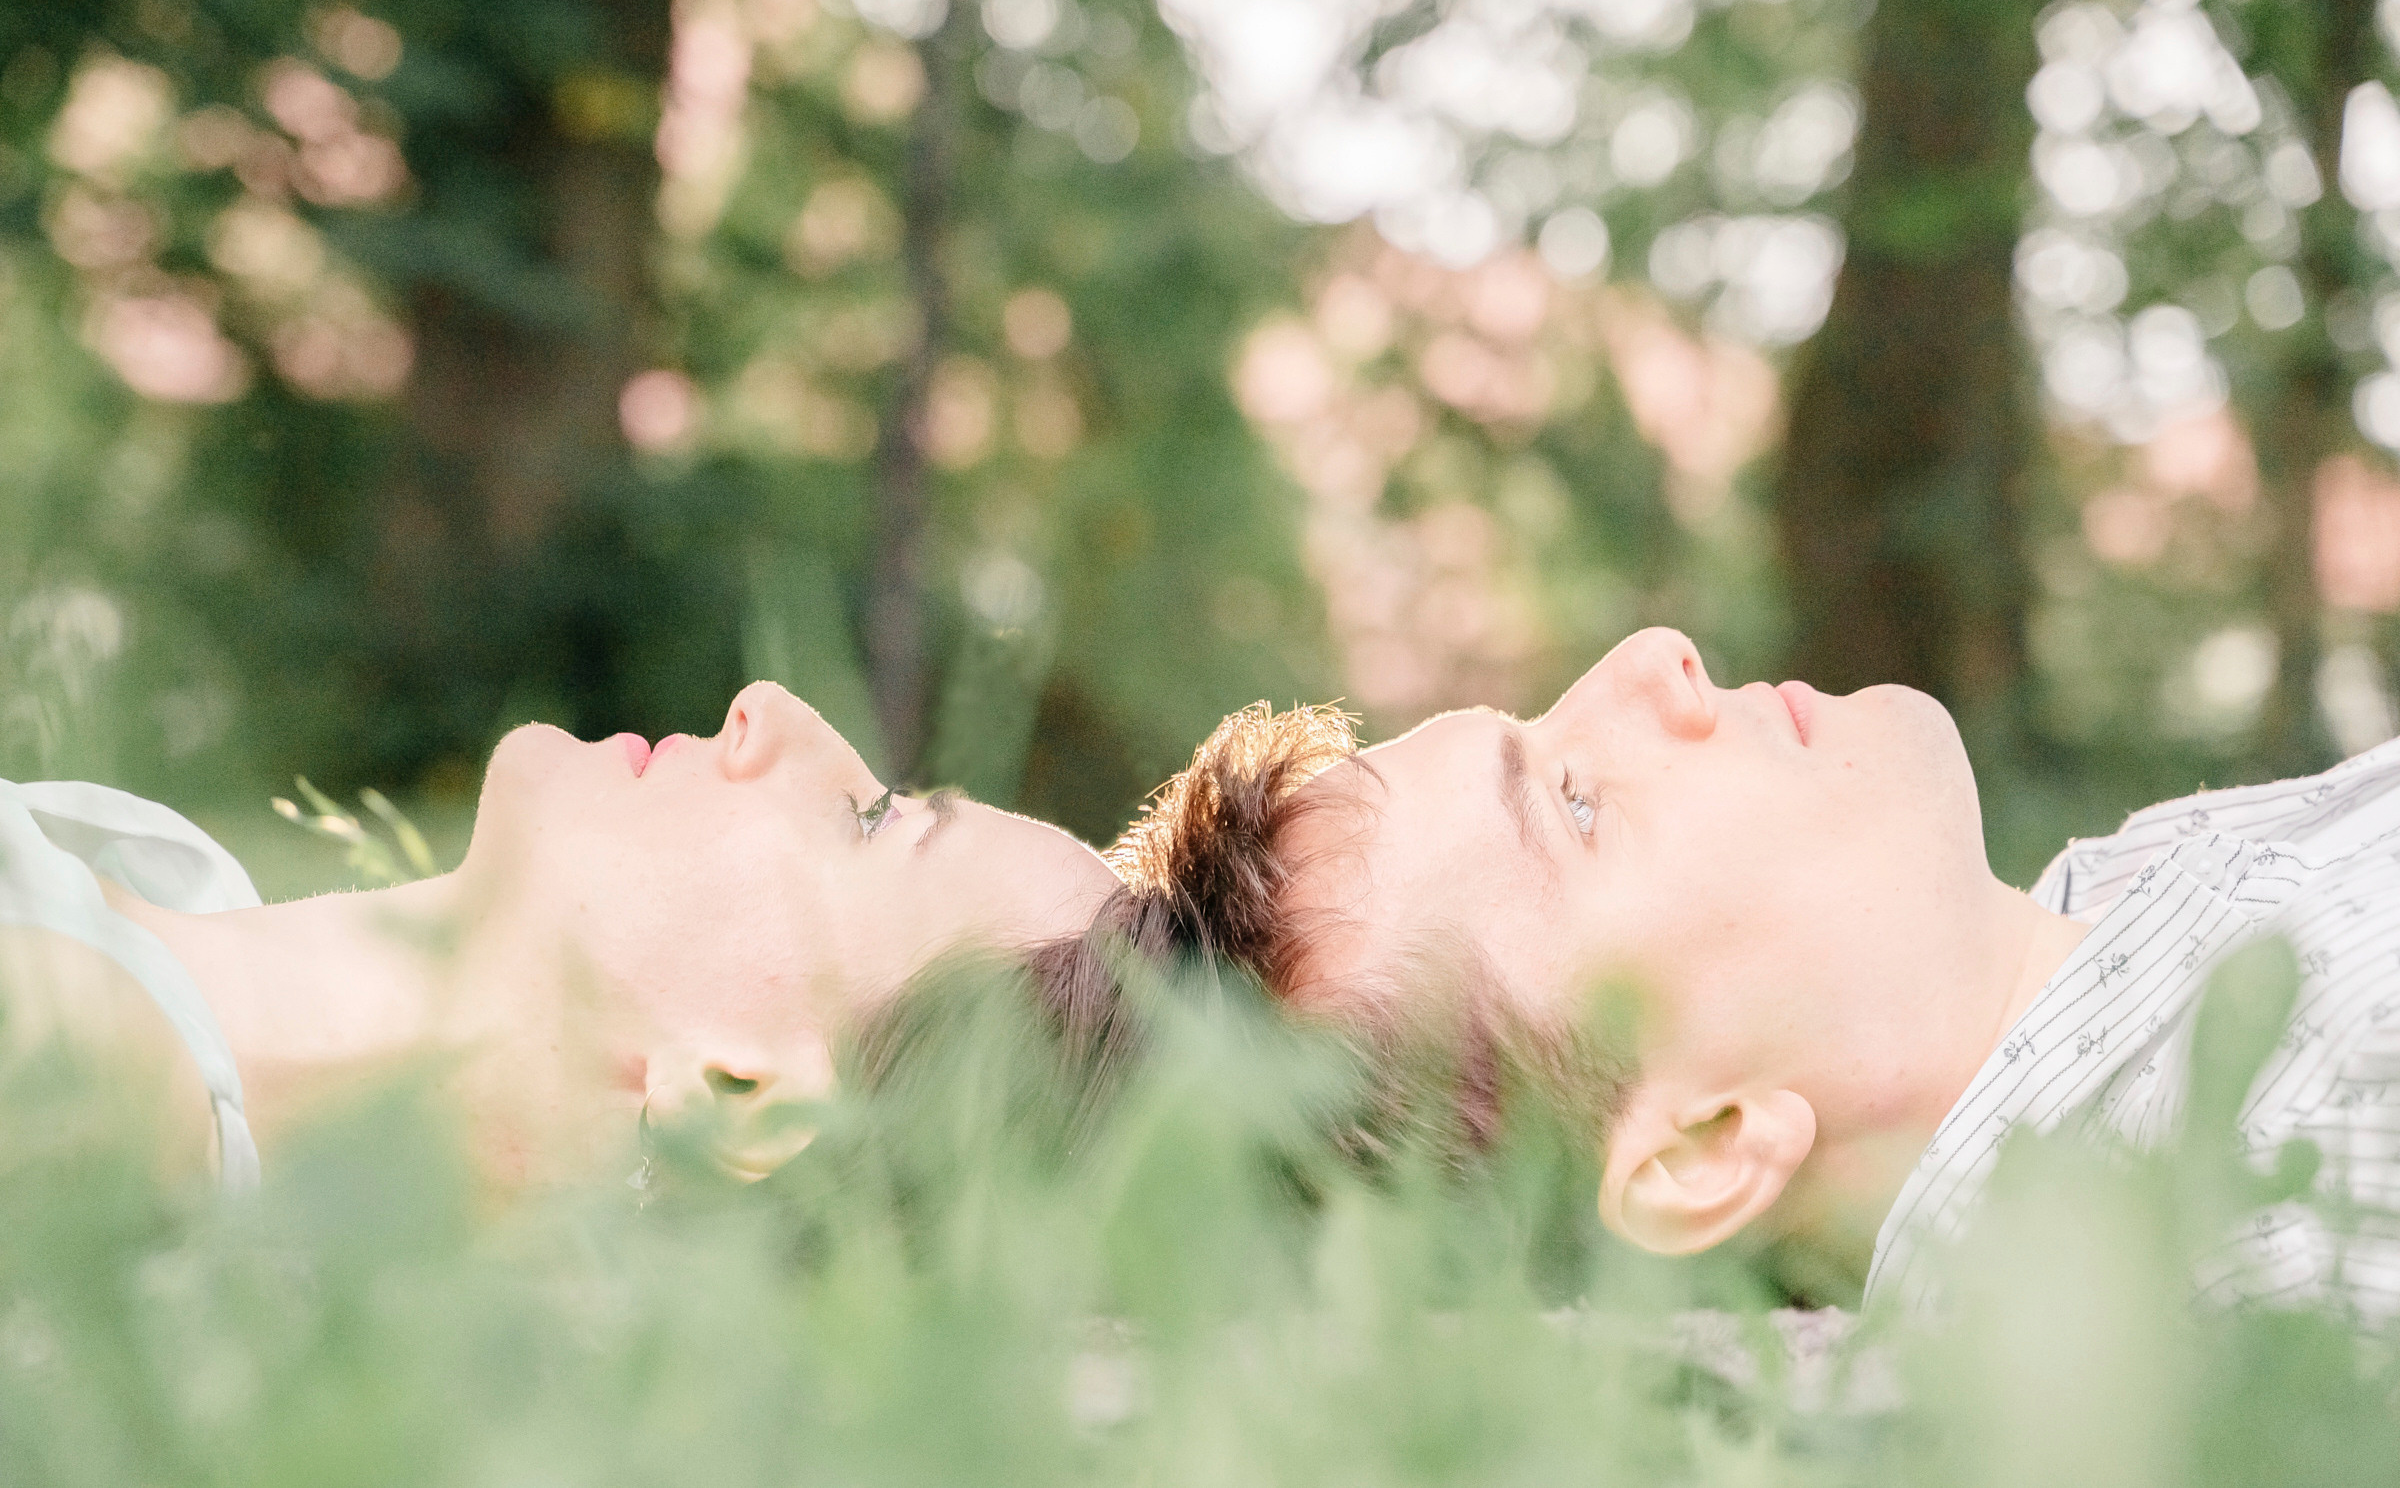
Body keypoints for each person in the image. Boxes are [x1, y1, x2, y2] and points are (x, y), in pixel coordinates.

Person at [1112, 626, 2400, 1318]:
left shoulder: (2116, 913)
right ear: (1704, 1150)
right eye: (1575, 803)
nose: (1651, 657)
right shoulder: (2283, 1178)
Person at [0, 681, 1120, 1192]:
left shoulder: (59, 1061)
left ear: (744, 1091)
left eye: (868, 820)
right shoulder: (128, 893)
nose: (769, 707)